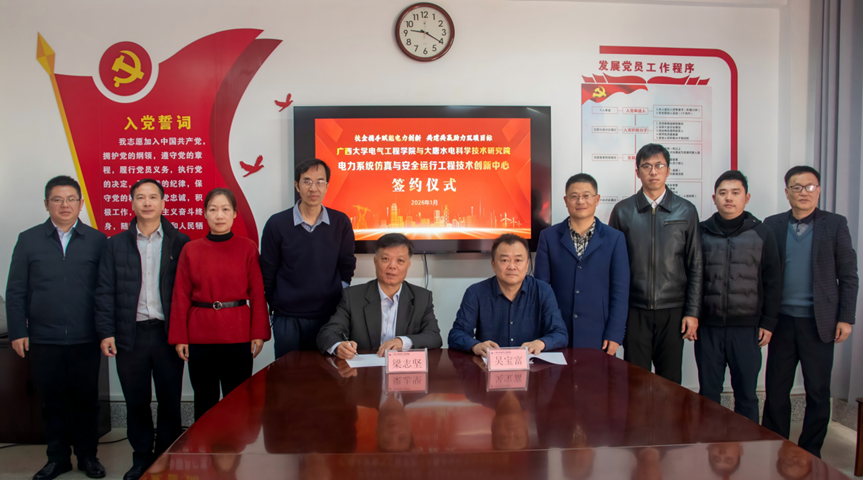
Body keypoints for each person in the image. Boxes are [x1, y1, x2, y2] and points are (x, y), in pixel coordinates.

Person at [5, 175, 108, 480]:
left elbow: (106, 290)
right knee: (51, 402)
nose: (65, 205)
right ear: (46, 203)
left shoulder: (97, 240)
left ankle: (88, 457)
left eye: (71, 199)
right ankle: (57, 458)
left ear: (81, 203)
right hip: (43, 337)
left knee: (86, 401)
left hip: (85, 337)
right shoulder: (29, 239)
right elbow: (16, 290)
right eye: (57, 199)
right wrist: (18, 331)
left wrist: (106, 331)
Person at [94, 178, 190, 480]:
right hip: (129, 335)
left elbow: (187, 292)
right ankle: (141, 458)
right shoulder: (115, 244)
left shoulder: (180, 242)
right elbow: (104, 291)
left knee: (170, 400)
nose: (147, 203)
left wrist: (184, 334)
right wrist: (106, 332)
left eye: (153, 197)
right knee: (136, 401)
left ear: (163, 202)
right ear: (132, 203)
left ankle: (166, 456)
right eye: (140, 197)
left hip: (167, 335)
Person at [762, 166, 858, 458]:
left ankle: (810, 451)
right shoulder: (773, 224)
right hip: (781, 322)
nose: (804, 192)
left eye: (810, 186)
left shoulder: (835, 224)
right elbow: (764, 274)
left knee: (817, 391)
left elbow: (849, 275)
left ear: (819, 190)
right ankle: (774, 445)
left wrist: (846, 318)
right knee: (776, 389)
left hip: (820, 322)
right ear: (787, 192)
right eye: (797, 187)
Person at [169, 188, 271, 420]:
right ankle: (205, 444)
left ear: (234, 213)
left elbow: (257, 293)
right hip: (200, 335)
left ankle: (238, 443)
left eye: (225, 209)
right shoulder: (191, 249)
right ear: (205, 213)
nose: (219, 215)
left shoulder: (248, 247)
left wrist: (258, 333)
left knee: (239, 400)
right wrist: (180, 337)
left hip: (238, 333)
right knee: (204, 400)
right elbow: (180, 295)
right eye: (213, 209)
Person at [608, 143, 702, 384]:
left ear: (668, 170)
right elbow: (612, 267)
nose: (653, 171)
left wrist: (692, 312)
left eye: (659, 165)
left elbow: (695, 264)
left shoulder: (686, 210)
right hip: (634, 309)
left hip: (673, 310)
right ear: (637, 171)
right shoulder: (622, 211)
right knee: (635, 381)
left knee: (670, 383)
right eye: (646, 166)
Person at [695, 170, 782, 424]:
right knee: (708, 393)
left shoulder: (762, 233)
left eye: (735, 192)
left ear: (747, 197)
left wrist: (768, 322)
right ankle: (708, 441)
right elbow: (691, 278)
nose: (729, 198)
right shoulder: (700, 232)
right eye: (723, 193)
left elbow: (773, 281)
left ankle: (747, 444)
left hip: (746, 329)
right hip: (708, 328)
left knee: (746, 394)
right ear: (714, 198)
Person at [261, 158, 356, 359]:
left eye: (320, 181)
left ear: (327, 186)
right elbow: (268, 271)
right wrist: (278, 303)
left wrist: (335, 296)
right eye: (307, 181)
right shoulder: (277, 224)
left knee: (327, 373)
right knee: (288, 373)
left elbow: (346, 265)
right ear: (297, 185)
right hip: (287, 318)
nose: (314, 188)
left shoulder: (340, 222)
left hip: (329, 316)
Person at [535, 173, 630, 353]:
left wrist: (615, 333)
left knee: (597, 372)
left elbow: (620, 291)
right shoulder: (548, 237)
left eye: (586, 196)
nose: (580, 201)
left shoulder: (615, 238)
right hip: (558, 331)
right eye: (574, 196)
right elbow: (541, 288)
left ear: (597, 199)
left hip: (599, 332)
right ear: (566, 201)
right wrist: (545, 331)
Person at [316, 233, 442, 358]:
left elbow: (434, 337)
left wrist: (403, 342)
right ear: (375, 261)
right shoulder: (353, 297)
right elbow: (327, 333)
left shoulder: (422, 298)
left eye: (400, 261)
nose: (392, 266)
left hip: (403, 368)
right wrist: (338, 346)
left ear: (408, 265)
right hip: (365, 369)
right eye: (386, 259)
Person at [448, 234, 568, 356]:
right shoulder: (475, 293)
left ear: (527, 264)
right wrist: (475, 346)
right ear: (493, 264)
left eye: (518, 260)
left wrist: (541, 343)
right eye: (504, 260)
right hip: (489, 365)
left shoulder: (543, 291)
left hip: (531, 364)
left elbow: (560, 334)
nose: (511, 266)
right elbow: (456, 334)